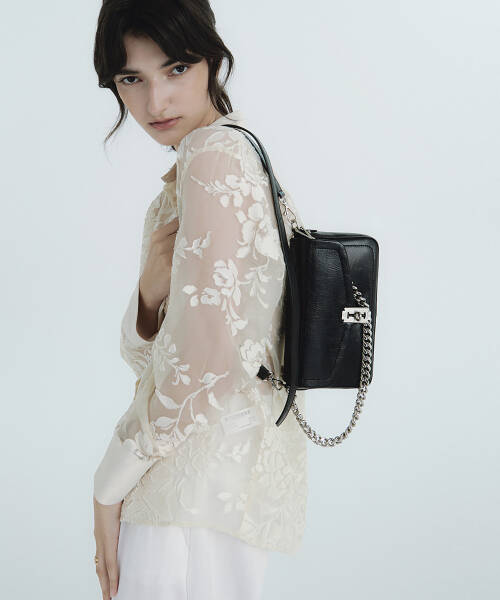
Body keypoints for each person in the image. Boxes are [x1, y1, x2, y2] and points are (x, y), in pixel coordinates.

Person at [92, 1, 308, 598]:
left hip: (188, 496)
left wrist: (108, 482)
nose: (155, 101)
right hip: (214, 489)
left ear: (213, 59)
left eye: (176, 68)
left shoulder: (212, 155)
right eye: (131, 78)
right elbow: (161, 358)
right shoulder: (228, 151)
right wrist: (149, 295)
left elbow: (206, 362)